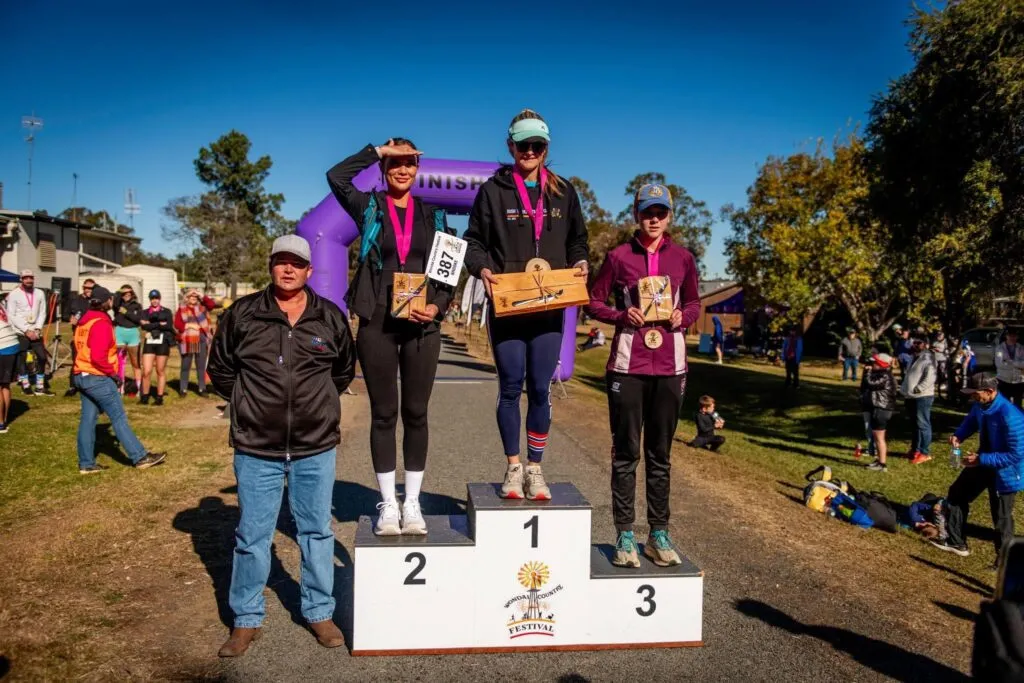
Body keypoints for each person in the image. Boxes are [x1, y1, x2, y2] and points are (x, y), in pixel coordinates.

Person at [208, 234, 356, 657]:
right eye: (280, 262)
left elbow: (343, 371)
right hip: (257, 447)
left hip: (316, 446)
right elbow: (220, 370)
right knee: (252, 536)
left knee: (315, 531)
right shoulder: (243, 314)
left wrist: (317, 405)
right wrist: (250, 404)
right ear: (270, 266)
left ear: (310, 271)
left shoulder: (329, 317)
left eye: (297, 263)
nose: (288, 269)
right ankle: (246, 618)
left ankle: (318, 611)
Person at [327, 138, 455, 535]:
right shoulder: (370, 206)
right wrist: (375, 152)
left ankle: (412, 503)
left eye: (409, 163)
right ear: (385, 166)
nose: (402, 169)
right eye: (394, 162)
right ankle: (387, 505)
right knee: (384, 413)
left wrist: (436, 306)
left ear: (418, 168)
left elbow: (446, 272)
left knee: (416, 412)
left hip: (422, 321)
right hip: (378, 318)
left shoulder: (433, 215)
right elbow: (336, 177)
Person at [464, 108, 589, 500]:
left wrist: (582, 261)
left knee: (539, 388)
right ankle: (513, 467)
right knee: (509, 387)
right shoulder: (493, 191)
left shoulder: (564, 191)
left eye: (537, 145)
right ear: (510, 146)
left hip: (550, 306)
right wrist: (482, 270)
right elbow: (474, 243)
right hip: (509, 305)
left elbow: (577, 241)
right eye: (523, 144)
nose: (530, 151)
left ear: (546, 147)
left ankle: (536, 469)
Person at [587, 183, 700, 568]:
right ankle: (623, 534)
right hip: (628, 366)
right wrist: (622, 316)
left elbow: (696, 302)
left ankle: (659, 532)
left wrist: (682, 317)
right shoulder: (619, 257)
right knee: (625, 453)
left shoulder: (683, 258)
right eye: (647, 212)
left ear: (669, 216)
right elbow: (594, 300)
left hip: (670, 365)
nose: (654, 219)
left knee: (660, 455)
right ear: (636, 214)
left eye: (661, 212)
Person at [71, 285, 166, 475]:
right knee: (118, 417)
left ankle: (86, 463)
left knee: (88, 420)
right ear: (106, 301)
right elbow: (98, 357)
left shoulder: (84, 321)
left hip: (81, 374)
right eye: (111, 299)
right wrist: (113, 374)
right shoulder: (101, 323)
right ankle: (139, 456)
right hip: (97, 377)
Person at [933, 372, 1024, 565]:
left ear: (990, 391)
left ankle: (1005, 563)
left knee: (1001, 518)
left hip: (1005, 471)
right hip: (982, 462)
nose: (972, 396)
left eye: (976, 393)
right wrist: (959, 435)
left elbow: (1015, 454)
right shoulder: (980, 405)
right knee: (957, 493)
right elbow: (972, 421)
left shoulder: (1011, 415)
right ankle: (956, 542)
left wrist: (981, 459)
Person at [4, 269, 53, 396]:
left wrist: (37, 328)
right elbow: (11, 315)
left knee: (42, 357)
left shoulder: (39, 293)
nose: (28, 280)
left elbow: (43, 312)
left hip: (36, 332)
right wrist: (26, 330)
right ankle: (26, 385)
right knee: (22, 359)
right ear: (21, 279)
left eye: (30, 278)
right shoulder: (14, 294)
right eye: (25, 278)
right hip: (21, 332)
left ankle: (40, 385)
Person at [901, 337, 937, 464]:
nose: (916, 344)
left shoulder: (928, 357)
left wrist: (918, 389)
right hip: (910, 395)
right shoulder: (913, 356)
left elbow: (931, 377)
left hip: (923, 396)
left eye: (919, 342)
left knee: (923, 424)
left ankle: (925, 452)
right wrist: (904, 389)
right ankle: (915, 449)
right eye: (914, 342)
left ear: (925, 344)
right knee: (914, 424)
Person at [861, 353, 898, 472]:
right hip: (879, 407)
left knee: (880, 438)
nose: (872, 365)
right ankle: (879, 460)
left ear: (881, 364)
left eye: (874, 363)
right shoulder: (881, 374)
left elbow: (871, 384)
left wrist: (867, 372)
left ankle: (882, 464)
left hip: (882, 409)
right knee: (878, 437)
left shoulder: (885, 375)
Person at [174, 289, 212, 397]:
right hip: (188, 339)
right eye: (191, 296)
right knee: (186, 365)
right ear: (187, 298)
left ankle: (202, 388)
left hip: (201, 340)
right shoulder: (182, 309)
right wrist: (189, 325)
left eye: (195, 297)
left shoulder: (202, 308)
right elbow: (177, 324)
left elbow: (212, 304)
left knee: (201, 366)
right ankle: (183, 389)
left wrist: (202, 295)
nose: (193, 298)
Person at [139, 290, 173, 406]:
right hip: (150, 342)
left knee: (160, 370)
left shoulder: (167, 311)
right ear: (150, 299)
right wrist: (159, 324)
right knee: (147, 371)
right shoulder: (144, 312)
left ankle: (159, 397)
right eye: (152, 298)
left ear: (160, 299)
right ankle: (145, 396)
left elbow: (168, 326)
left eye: (156, 298)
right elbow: (143, 326)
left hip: (163, 342)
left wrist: (150, 324)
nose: (154, 300)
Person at [64, 278, 95, 397]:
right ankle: (73, 386)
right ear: (83, 288)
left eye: (91, 288)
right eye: (86, 288)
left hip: (92, 335)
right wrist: (70, 318)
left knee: (91, 361)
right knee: (76, 360)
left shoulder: (95, 301)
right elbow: (66, 314)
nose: (88, 290)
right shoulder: (75, 300)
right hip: (78, 335)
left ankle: (89, 386)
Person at [113, 285, 143, 396]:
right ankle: (120, 387)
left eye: (129, 293)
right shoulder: (118, 304)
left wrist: (126, 312)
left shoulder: (137, 306)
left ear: (132, 293)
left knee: (136, 363)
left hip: (133, 333)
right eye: (124, 293)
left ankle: (139, 388)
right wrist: (119, 291)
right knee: (120, 362)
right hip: (120, 332)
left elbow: (138, 320)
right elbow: (115, 302)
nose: (127, 295)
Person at [994, 327, 1024, 408]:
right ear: (1006, 336)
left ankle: (1018, 419)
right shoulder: (1000, 348)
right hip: (1004, 380)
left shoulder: (1021, 348)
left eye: (1014, 336)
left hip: (1018, 381)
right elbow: (999, 364)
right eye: (1010, 336)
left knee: (1017, 405)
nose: (1012, 338)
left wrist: (1009, 362)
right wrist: (1018, 365)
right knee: (1004, 404)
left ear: (1017, 337)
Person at [0, 303, 18, 433]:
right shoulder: (2, 304)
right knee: (5, 385)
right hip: (12, 344)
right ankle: (4, 420)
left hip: (2, 345)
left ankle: (0, 423)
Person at [932, 331, 949, 400]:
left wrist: (940, 351)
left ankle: (944, 384)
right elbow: (931, 348)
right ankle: (937, 388)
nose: (938, 336)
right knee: (935, 373)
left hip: (943, 359)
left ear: (943, 336)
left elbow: (947, 351)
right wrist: (933, 350)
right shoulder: (935, 342)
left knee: (942, 373)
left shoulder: (946, 342)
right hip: (935, 359)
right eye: (938, 335)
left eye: (940, 335)